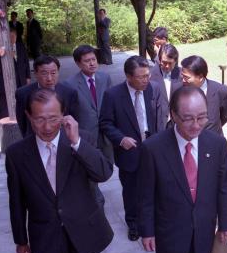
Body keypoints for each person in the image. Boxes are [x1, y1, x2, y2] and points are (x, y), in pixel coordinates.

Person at [6, 88, 114, 253]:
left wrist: (77, 143)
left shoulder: (82, 139)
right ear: (28, 116)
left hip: (80, 234)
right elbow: (16, 200)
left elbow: (103, 173)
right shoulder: (17, 153)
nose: (46, 127)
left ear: (64, 114)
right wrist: (21, 239)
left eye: (53, 118)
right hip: (44, 237)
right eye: (39, 120)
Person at [138, 86, 227, 253]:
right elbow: (145, 194)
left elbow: (224, 186)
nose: (196, 125)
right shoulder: (153, 148)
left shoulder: (216, 144)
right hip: (170, 237)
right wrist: (147, 230)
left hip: (203, 234)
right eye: (188, 119)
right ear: (173, 115)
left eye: (202, 117)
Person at [100, 55, 163, 241]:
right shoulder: (112, 95)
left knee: (155, 187)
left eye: (147, 75)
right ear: (128, 76)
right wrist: (120, 139)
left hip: (152, 148)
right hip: (129, 152)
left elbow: (160, 117)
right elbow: (105, 122)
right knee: (131, 191)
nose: (146, 80)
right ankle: (133, 223)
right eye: (141, 77)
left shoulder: (155, 89)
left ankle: (153, 221)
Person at [64, 45, 113, 207]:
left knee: (105, 166)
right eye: (87, 61)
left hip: (105, 133)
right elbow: (68, 113)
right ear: (78, 64)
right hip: (85, 134)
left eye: (93, 59)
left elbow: (111, 105)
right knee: (89, 167)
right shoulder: (69, 85)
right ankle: (96, 199)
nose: (92, 63)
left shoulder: (105, 78)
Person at [15, 55, 79, 137]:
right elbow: (22, 122)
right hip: (34, 139)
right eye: (44, 73)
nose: (49, 78)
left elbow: (74, 120)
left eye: (53, 73)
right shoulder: (23, 93)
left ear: (58, 72)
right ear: (35, 73)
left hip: (62, 140)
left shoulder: (69, 93)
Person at [181, 55, 227, 135]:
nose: (183, 80)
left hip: (213, 143)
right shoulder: (179, 91)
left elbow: (225, 115)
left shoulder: (221, 91)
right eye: (182, 76)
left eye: (187, 77)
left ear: (200, 77)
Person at [149, 43, 183, 127]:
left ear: (175, 61)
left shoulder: (182, 75)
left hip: (178, 123)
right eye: (164, 62)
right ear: (159, 60)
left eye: (170, 63)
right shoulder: (150, 75)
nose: (167, 66)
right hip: (158, 123)